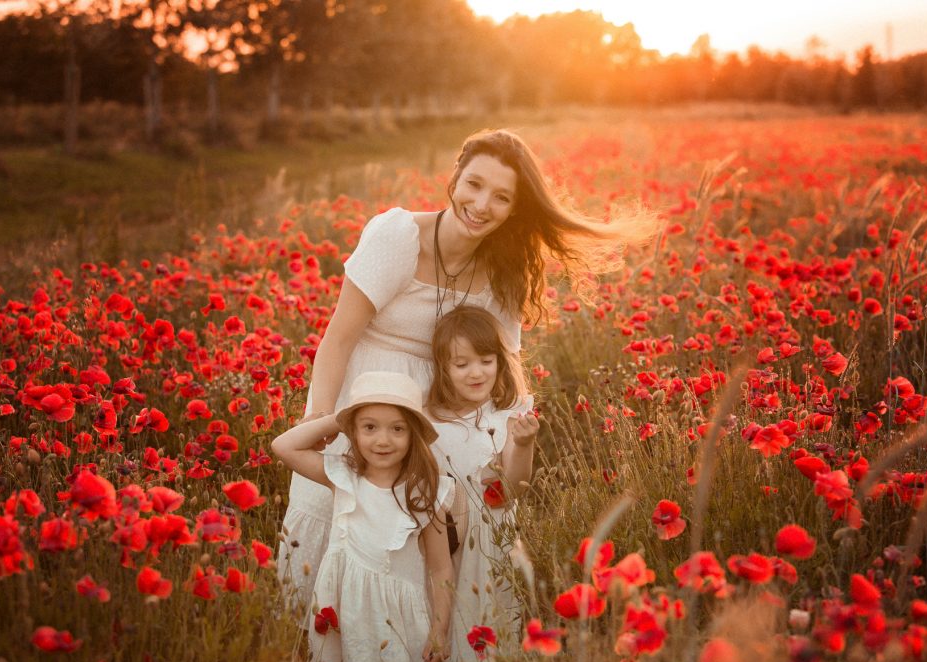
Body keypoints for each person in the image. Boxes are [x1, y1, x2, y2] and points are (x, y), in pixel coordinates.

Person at [275, 128, 654, 610]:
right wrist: (323, 416)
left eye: (501, 197)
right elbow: (338, 338)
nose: (480, 204)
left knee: (415, 541)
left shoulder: (504, 268)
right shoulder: (398, 236)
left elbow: (503, 366)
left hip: (439, 413)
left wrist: (506, 443)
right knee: (339, 514)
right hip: (364, 394)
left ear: (515, 209)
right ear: (454, 177)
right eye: (474, 184)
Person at [271, 371, 454, 662]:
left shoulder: (424, 493)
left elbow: (441, 569)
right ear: (353, 432)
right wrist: (338, 419)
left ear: (413, 435)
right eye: (369, 427)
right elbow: (283, 446)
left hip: (396, 620)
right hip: (345, 610)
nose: (383, 440)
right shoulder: (342, 477)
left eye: (397, 429)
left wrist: (440, 627)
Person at [426, 305, 539, 662]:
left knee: (491, 622)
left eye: (486, 360)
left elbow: (515, 488)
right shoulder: (428, 421)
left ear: (500, 362)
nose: (476, 372)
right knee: (447, 615)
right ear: (444, 369)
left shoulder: (509, 415)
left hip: (492, 543)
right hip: (445, 545)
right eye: (462, 365)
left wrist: (523, 445)